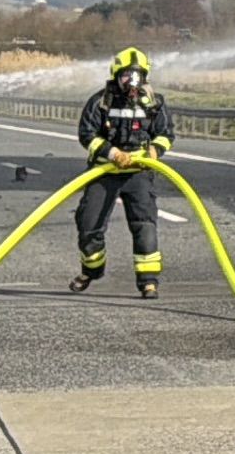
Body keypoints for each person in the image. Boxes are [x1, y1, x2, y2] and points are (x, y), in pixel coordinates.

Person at [72, 48, 173, 297]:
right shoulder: (100, 102)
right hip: (103, 173)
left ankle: (148, 282)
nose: (133, 82)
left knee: (144, 225)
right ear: (117, 75)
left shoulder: (155, 102)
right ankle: (92, 271)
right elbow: (87, 135)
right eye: (128, 76)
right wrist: (113, 153)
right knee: (88, 225)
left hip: (139, 173)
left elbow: (166, 134)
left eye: (138, 76)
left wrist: (155, 151)